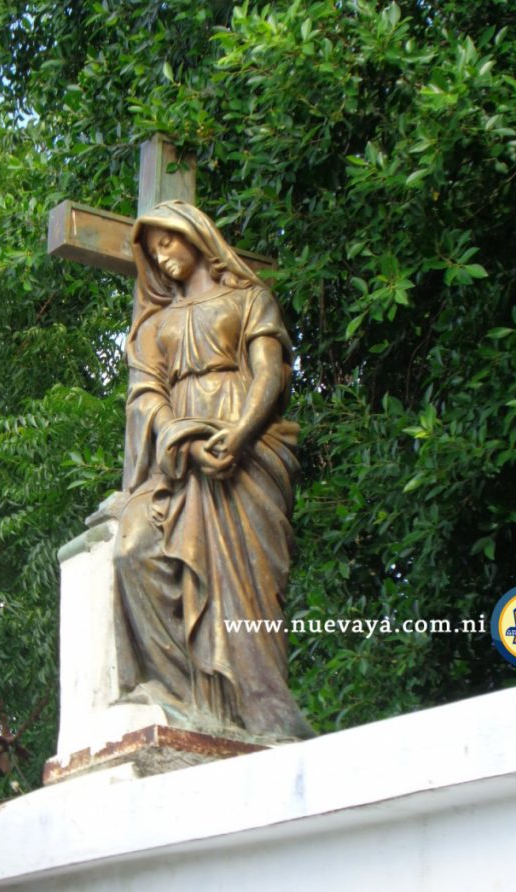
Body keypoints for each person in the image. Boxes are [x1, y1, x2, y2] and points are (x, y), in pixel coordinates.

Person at [113, 199, 313, 741]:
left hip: (247, 454)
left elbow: (269, 372)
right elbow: (146, 393)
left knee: (246, 584)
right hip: (179, 459)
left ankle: (259, 707)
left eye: (168, 241)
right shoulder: (155, 326)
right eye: (153, 249)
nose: (162, 255)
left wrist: (241, 432)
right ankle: (183, 691)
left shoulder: (249, 299)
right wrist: (181, 437)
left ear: (195, 236)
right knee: (133, 549)